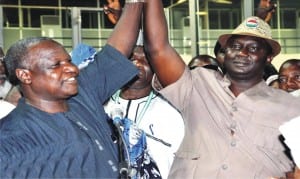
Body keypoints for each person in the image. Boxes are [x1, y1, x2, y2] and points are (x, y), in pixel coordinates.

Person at [143, 1, 300, 177]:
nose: (242, 53)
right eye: (235, 46)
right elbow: (158, 49)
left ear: (268, 57)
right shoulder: (198, 85)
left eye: (253, 48)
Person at [0, 1, 144, 178]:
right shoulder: (11, 138)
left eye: (69, 61)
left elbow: (116, 50)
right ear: (25, 75)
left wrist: (133, 3)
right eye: (56, 65)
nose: (73, 69)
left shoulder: (82, 95)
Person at [102, 3, 184, 177]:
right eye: (131, 58)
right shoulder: (102, 104)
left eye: (144, 59)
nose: (137, 64)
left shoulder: (171, 112)